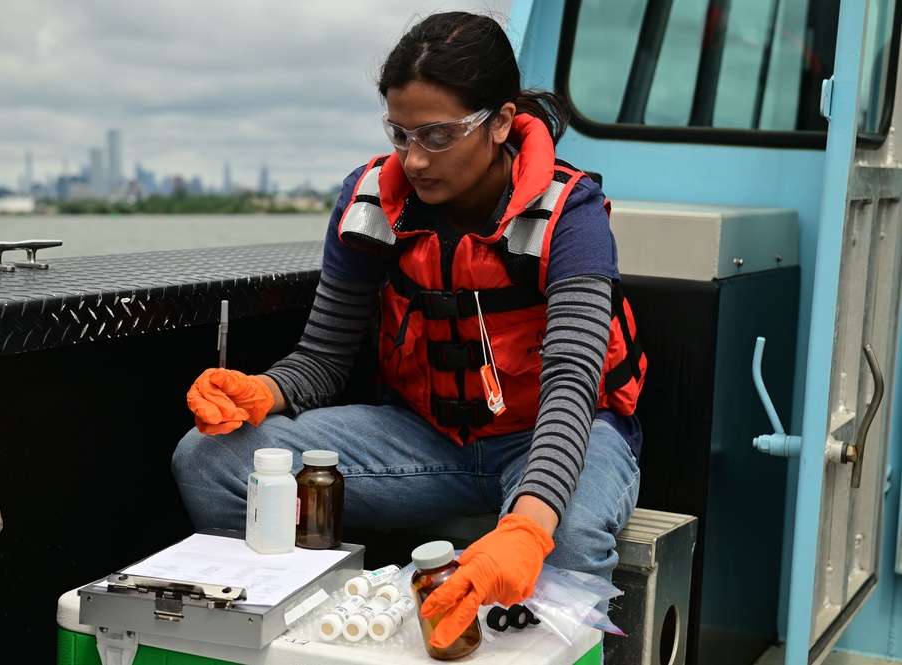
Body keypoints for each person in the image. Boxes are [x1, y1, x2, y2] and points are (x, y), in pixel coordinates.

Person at [172, 10, 646, 650]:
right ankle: (318, 638)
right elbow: (322, 360)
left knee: (568, 534)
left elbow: (570, 384)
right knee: (209, 461)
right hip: (425, 442)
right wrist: (260, 390)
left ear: (502, 121)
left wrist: (530, 525)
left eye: (438, 135)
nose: (415, 159)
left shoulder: (572, 213)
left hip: (558, 435)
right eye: (400, 133)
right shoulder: (370, 203)